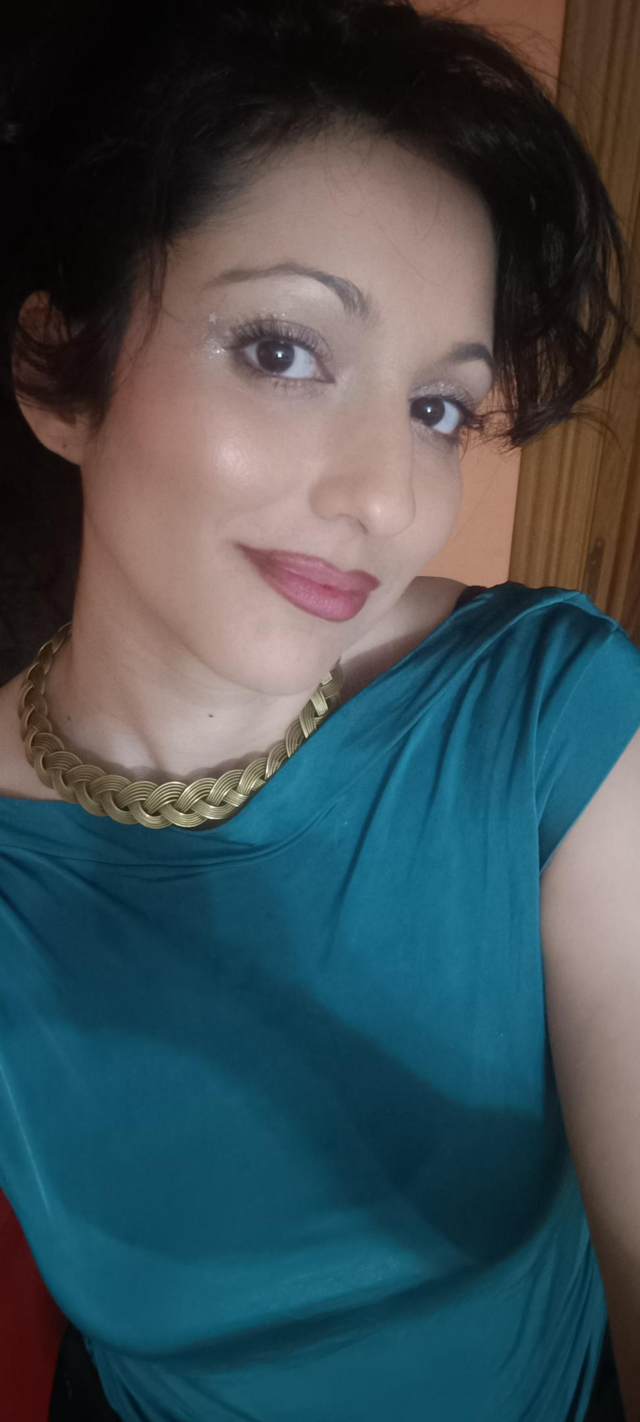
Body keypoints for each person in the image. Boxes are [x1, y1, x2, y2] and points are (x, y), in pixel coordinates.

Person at [0, 1, 638, 1418]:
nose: (386, 499)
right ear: (60, 371)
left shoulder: (542, 718)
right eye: (284, 351)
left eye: (439, 409)